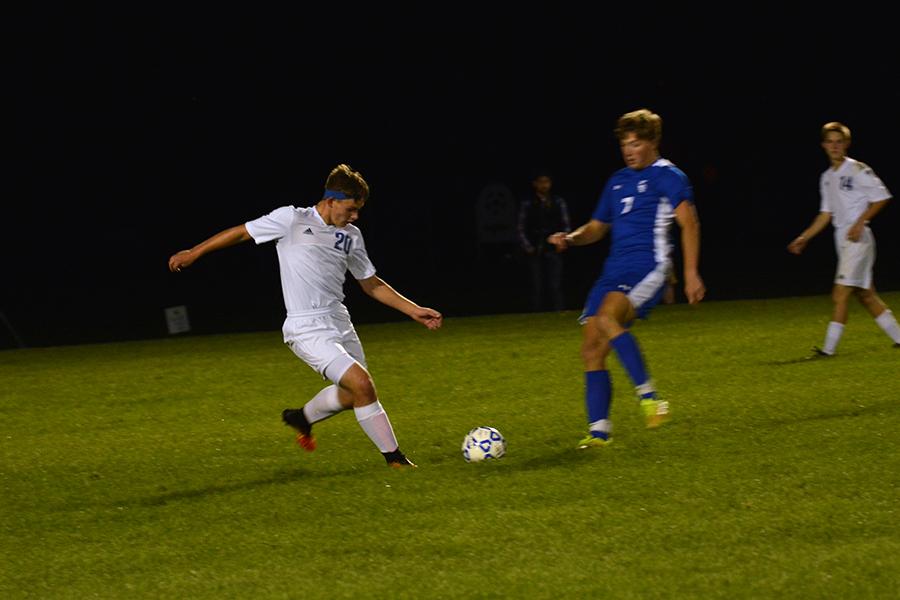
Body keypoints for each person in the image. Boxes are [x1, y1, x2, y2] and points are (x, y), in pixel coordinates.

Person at [168, 164, 442, 468]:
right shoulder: (292, 219)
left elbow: (371, 283)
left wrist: (413, 310)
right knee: (362, 385)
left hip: (339, 321)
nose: (355, 216)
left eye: (358, 211)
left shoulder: (351, 236)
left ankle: (302, 417)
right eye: (351, 209)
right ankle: (396, 460)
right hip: (306, 326)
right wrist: (194, 252)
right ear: (331, 200)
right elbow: (241, 233)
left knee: (354, 394)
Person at [548, 109, 705, 448]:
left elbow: (689, 224)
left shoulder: (669, 176)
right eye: (624, 145)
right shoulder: (617, 181)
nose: (629, 151)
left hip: (649, 266)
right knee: (591, 349)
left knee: (607, 317)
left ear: (652, 142)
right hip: (614, 271)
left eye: (636, 144)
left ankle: (650, 398)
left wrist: (690, 273)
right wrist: (571, 238)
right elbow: (597, 228)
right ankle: (599, 432)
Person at [787, 122, 899, 356]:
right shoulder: (826, 177)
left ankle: (828, 350)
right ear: (823, 145)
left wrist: (860, 222)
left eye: (839, 141)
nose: (835, 146)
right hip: (843, 240)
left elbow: (881, 197)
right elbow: (826, 214)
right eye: (830, 141)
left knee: (839, 294)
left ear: (847, 144)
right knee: (866, 295)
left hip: (858, 240)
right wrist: (804, 237)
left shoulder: (857, 169)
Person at [517, 171, 571, 311]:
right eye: (541, 182)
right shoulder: (528, 203)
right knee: (536, 284)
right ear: (535, 184)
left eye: (546, 181)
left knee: (555, 284)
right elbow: (521, 227)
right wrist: (527, 246)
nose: (544, 185)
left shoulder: (558, 202)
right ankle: (535, 312)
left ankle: (559, 311)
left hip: (553, 246)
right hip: (535, 246)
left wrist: (563, 241)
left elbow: (565, 224)